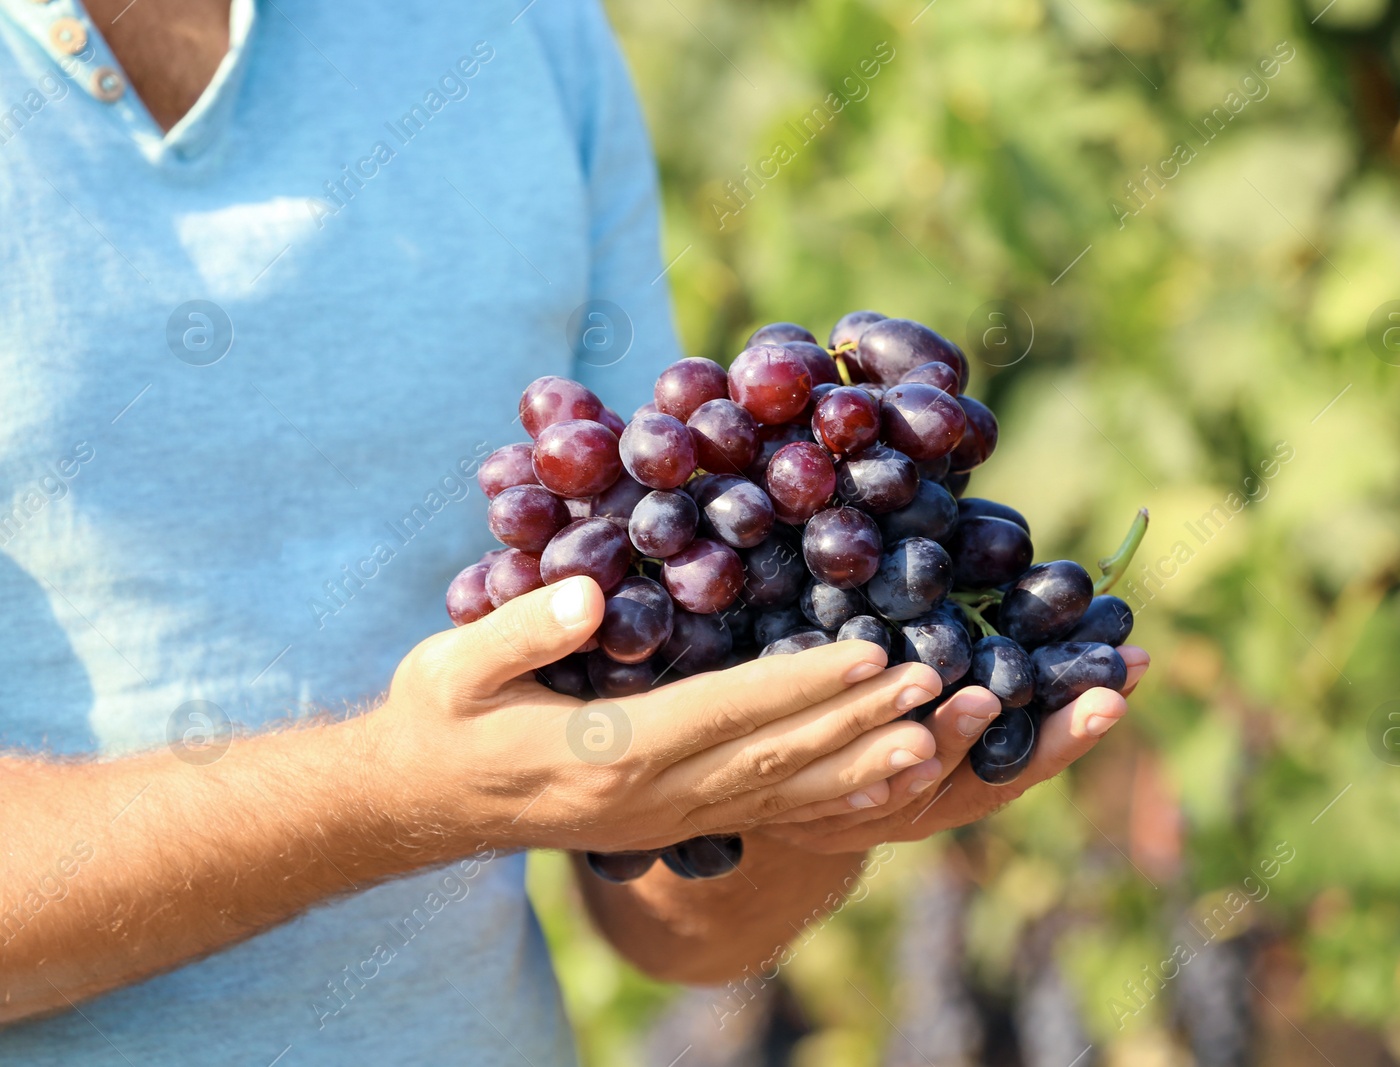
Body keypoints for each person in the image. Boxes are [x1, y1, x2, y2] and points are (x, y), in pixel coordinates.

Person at [0, 0, 1147, 1062]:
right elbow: (434, 789)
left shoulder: (524, 31)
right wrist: (392, 798)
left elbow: (670, 915)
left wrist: (815, 788)